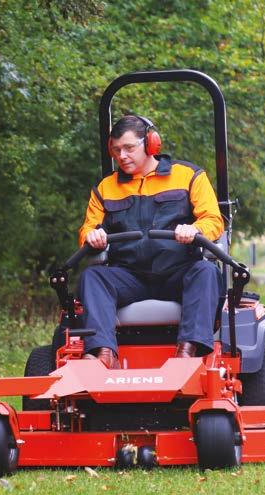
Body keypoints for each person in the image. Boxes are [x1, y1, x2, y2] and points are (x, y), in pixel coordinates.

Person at [77, 115, 224, 369]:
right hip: (129, 276)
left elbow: (214, 220)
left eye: (128, 148)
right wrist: (92, 236)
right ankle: (104, 354)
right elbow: (87, 230)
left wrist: (195, 229)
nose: (122, 156)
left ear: (151, 144)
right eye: (116, 150)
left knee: (206, 271)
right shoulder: (105, 188)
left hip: (178, 271)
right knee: (93, 277)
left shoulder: (188, 176)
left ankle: (188, 353)